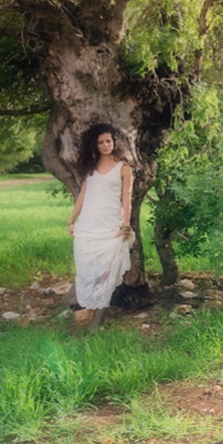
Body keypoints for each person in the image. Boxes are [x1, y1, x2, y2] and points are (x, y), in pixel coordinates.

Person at [67, 123, 134, 329]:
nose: (105, 145)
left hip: (110, 226)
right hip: (88, 226)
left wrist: (126, 225)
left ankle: (98, 321)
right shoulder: (90, 168)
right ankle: (87, 314)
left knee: (108, 272)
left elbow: (127, 198)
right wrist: (71, 220)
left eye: (108, 141)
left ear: (114, 142)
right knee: (87, 270)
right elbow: (82, 196)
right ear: (94, 145)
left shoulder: (124, 168)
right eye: (100, 142)